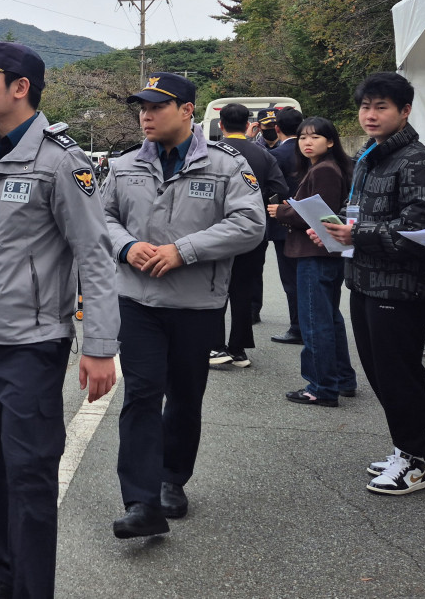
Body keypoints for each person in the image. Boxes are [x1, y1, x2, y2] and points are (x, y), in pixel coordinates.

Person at [0, 41, 118, 599]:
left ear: (20, 88)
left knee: (30, 480)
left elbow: (95, 256)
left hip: (31, 346)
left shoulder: (61, 162)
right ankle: (4, 569)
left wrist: (100, 344)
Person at [102, 73, 265, 537]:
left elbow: (250, 224)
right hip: (137, 301)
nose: (146, 115)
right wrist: (127, 246)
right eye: (142, 107)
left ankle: (173, 478)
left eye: (157, 106)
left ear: (188, 110)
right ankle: (141, 500)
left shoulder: (227, 165)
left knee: (185, 397)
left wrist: (183, 250)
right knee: (141, 395)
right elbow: (101, 217)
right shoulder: (124, 164)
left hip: (197, 304)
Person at [318, 73, 425, 495]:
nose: (371, 115)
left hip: (402, 288)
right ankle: (419, 451)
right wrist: (334, 227)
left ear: (405, 111)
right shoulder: (373, 156)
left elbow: (422, 229)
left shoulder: (419, 163)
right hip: (366, 280)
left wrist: (355, 235)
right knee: (382, 372)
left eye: (381, 107)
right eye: (365, 107)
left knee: (398, 374)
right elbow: (362, 212)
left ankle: (413, 460)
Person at [270, 117, 357, 407]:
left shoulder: (325, 170)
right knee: (329, 318)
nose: (307, 142)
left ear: (330, 141)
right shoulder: (325, 167)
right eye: (303, 137)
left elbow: (323, 214)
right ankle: (342, 379)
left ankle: (320, 387)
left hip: (315, 253)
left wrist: (281, 212)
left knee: (314, 322)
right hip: (324, 254)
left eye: (315, 137)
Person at [209, 103, 287, 369]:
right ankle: (239, 349)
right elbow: (280, 188)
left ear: (220, 125)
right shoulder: (263, 155)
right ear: (247, 125)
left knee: (215, 286)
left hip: (216, 230)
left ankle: (216, 346)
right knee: (244, 288)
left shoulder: (211, 153)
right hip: (253, 231)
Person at [268, 107, 305, 343]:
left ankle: (297, 327)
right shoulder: (313, 151)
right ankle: (310, 322)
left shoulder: (276, 156)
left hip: (284, 222)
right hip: (312, 222)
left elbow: (273, 189)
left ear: (277, 128)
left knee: (291, 279)